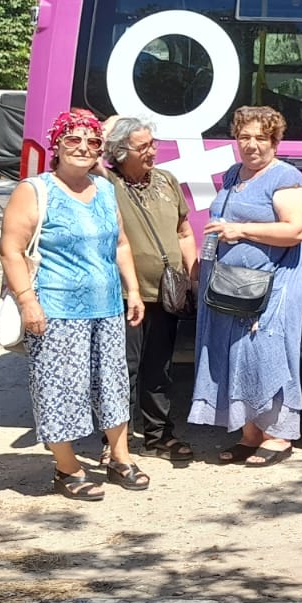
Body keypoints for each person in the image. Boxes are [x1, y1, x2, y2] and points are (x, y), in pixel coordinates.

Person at [0, 108, 147, 501]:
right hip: (56, 311)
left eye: (92, 141)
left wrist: (133, 290)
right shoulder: (35, 190)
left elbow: (121, 244)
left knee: (113, 385)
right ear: (57, 145)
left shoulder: (105, 189)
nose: (83, 147)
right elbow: (11, 250)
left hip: (107, 308)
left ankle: (120, 458)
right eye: (73, 139)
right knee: (60, 389)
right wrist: (28, 302)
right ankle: (67, 469)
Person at [190, 106, 302, 467]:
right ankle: (250, 435)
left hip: (272, 285)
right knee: (236, 353)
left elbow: (297, 229)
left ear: (275, 141)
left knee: (265, 353)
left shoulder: (286, 177)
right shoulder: (233, 174)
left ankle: (278, 435)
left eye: (261, 137)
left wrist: (240, 230)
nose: (251, 144)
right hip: (231, 286)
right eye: (244, 137)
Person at [104, 115, 197, 463]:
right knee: (124, 369)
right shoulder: (105, 181)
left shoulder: (167, 180)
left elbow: (184, 232)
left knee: (160, 368)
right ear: (119, 151)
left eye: (153, 144)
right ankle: (118, 442)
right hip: (125, 295)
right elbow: (94, 149)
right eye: (143, 147)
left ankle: (159, 436)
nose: (152, 151)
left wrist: (192, 274)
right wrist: (109, 131)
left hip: (166, 294)